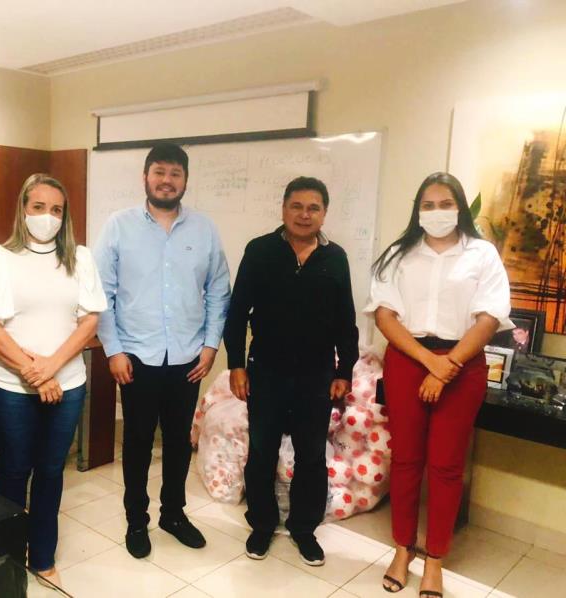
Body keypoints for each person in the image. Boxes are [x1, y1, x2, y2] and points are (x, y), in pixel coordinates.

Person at [365, 172, 512, 598]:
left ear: (460, 207)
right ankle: (402, 549)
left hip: (462, 364)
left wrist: (449, 364)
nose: (436, 212)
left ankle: (434, 560)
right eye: (427, 205)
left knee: (446, 466)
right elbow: (385, 316)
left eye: (445, 204)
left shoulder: (482, 254)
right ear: (417, 211)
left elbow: (489, 317)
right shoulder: (398, 255)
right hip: (409, 360)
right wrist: (432, 363)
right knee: (406, 461)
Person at [0, 174, 106, 586]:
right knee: (14, 471)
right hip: (12, 387)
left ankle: (43, 556)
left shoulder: (80, 257)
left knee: (50, 471)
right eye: (39, 207)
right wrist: (34, 372)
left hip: (68, 383)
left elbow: (90, 321)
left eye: (57, 210)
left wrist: (51, 366)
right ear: (23, 209)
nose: (48, 216)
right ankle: (9, 558)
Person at [94, 143, 231, 559]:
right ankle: (137, 520)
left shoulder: (204, 229)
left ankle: (173, 514)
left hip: (188, 358)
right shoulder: (118, 226)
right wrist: (113, 351)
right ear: (145, 177)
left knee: (177, 441)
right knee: (137, 443)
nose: (166, 181)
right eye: (159, 172)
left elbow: (219, 290)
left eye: (175, 173)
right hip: (136, 357)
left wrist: (210, 345)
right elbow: (101, 294)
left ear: (185, 180)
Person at [224, 176, 358, 565]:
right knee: (262, 450)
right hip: (266, 370)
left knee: (311, 454)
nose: (304, 214)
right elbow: (237, 313)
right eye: (296, 206)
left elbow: (345, 320)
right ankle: (262, 524)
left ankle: (303, 528)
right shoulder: (260, 250)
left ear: (324, 213)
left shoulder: (336, 258)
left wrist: (344, 370)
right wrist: (236, 365)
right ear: (283, 209)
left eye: (313, 208)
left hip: (316, 375)